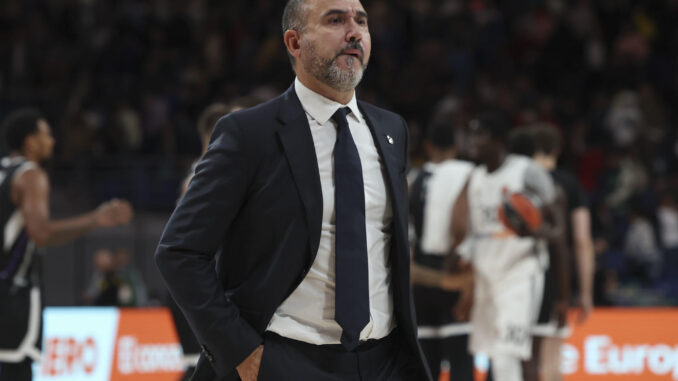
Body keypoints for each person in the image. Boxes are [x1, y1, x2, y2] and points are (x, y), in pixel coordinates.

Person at [155, 0, 432, 380]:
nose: (354, 32)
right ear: (294, 42)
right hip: (287, 360)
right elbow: (179, 252)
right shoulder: (249, 134)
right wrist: (242, 353)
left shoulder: (392, 130)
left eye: (361, 22)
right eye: (335, 20)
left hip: (385, 360)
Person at [0, 108, 133, 381]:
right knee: (18, 371)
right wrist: (96, 219)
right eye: (46, 134)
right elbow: (42, 234)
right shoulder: (31, 174)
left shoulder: (3, 172)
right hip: (16, 291)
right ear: (30, 141)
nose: (52, 141)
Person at [451, 113, 565, 381]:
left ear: (498, 140)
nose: (472, 141)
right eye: (470, 134)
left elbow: (559, 229)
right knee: (490, 354)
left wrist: (536, 230)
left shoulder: (527, 171)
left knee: (507, 357)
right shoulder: (476, 177)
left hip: (519, 275)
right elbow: (476, 234)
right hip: (485, 278)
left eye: (480, 134)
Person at [526, 123, 594, 381]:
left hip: (520, 276)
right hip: (557, 280)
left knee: (520, 360)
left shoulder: (518, 180)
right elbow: (582, 239)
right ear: (558, 149)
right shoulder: (569, 184)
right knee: (552, 360)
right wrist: (586, 292)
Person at [409, 122, 474, 380]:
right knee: (460, 362)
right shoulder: (470, 173)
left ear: (428, 147)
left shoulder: (412, 178)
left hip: (421, 276)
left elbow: (404, 235)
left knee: (426, 364)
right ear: (457, 147)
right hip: (458, 272)